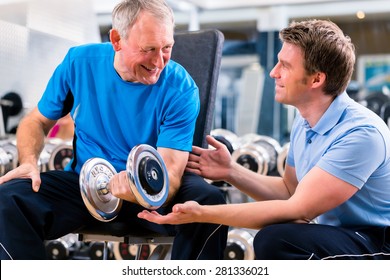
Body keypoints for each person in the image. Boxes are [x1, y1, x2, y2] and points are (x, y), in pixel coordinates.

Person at [139, 19, 390, 260]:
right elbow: (290, 191)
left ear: (317, 79)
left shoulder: (361, 134)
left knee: (277, 239)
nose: (273, 73)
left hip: (378, 241)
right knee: (277, 236)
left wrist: (201, 214)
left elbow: (299, 209)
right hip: (344, 235)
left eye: (285, 66)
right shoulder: (305, 122)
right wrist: (231, 171)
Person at [0, 0, 227, 260]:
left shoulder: (180, 88)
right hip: (86, 185)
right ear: (117, 40)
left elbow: (171, 176)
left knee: (209, 202)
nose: (159, 61)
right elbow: (35, 122)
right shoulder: (79, 63)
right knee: (8, 199)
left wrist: (135, 188)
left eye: (167, 48)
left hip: (153, 188)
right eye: (149, 49)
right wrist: (29, 162)